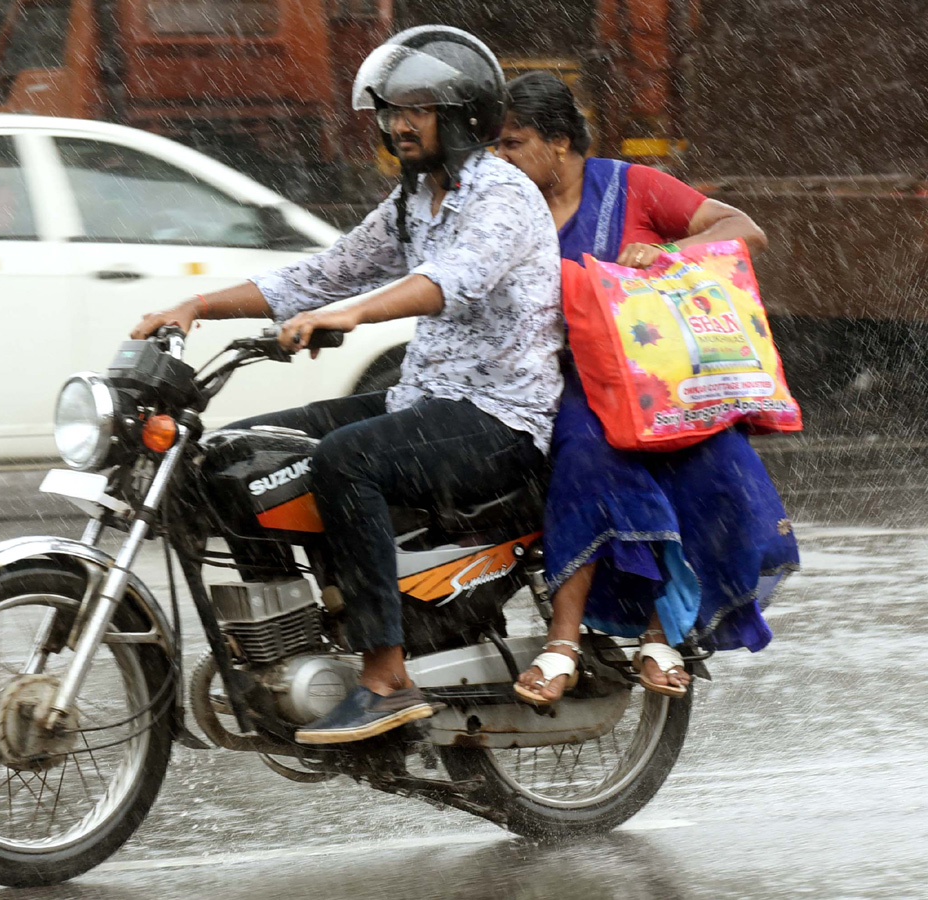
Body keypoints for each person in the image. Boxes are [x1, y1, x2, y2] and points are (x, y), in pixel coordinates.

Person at [132, 27, 564, 744]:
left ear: (463, 115)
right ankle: (287, 645)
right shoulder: (414, 201)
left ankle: (385, 675)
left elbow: (448, 283)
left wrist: (353, 314)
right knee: (236, 458)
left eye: (416, 109)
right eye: (391, 110)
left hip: (501, 417)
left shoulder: (504, 196)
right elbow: (319, 274)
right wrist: (197, 307)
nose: (397, 124)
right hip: (422, 399)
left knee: (347, 459)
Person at [493, 71, 800, 705]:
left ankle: (663, 635)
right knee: (589, 452)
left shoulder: (632, 185)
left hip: (660, 382)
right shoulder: (505, 206)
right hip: (568, 385)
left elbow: (745, 229)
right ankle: (563, 640)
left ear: (558, 143)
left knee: (714, 460)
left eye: (512, 143)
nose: (501, 159)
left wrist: (666, 253)